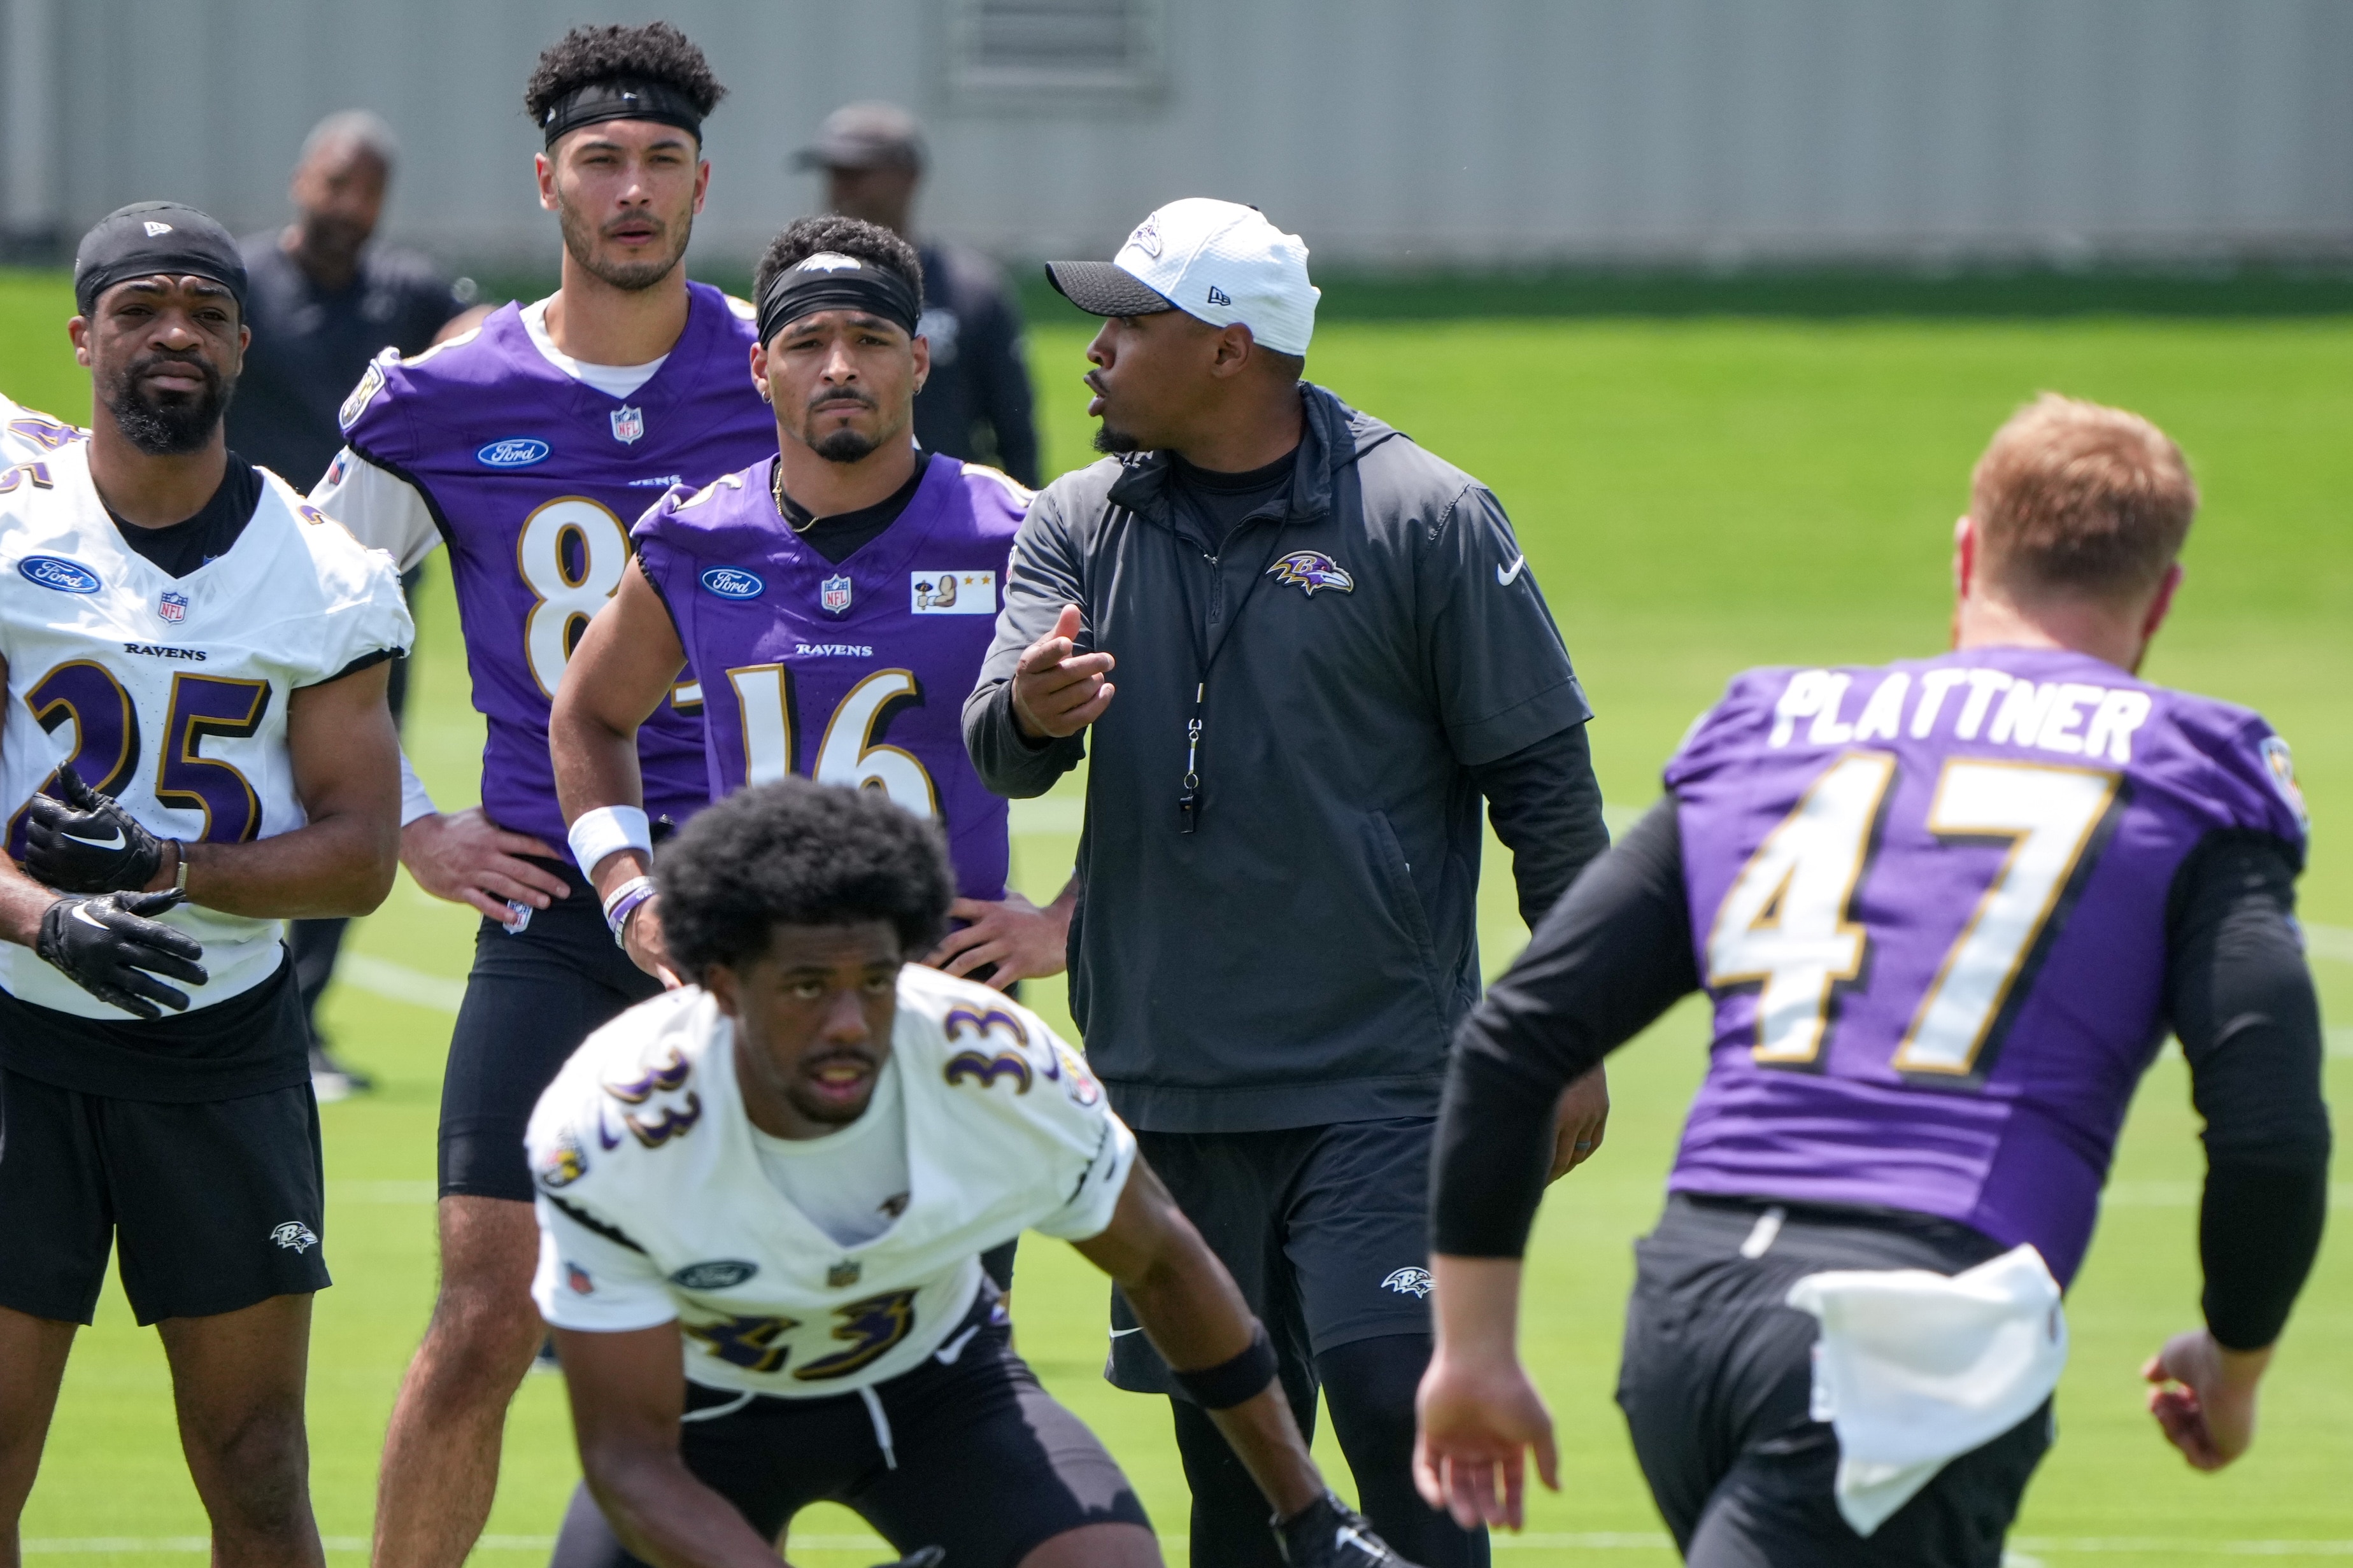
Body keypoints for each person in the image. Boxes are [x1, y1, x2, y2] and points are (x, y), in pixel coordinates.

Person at [1414, 395, 2329, 1566]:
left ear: (1966, 552)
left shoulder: (1777, 724)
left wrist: (1472, 1348)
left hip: (1687, 1318)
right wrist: (2234, 1362)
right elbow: (2267, 1132)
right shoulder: (2191, 767)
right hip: (1915, 1337)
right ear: (2160, 601)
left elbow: (1516, 1035)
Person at [963, 197, 1612, 1568]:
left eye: (1128, 324)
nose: (1094, 352)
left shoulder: (1425, 515)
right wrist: (1026, 708)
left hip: (1377, 1080)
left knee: (1395, 1410)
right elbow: (1002, 752)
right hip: (1165, 1079)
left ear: (1227, 348)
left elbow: (1546, 789)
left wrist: (1571, 1030)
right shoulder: (1074, 520)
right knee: (1240, 1472)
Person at [303, 24, 776, 1568]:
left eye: (659, 161)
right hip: (554, 901)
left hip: (760, 907)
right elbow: (297, 617)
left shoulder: (783, 364)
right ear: (546, 181)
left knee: (768, 1331)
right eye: (600, 160)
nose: (630, 189)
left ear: (700, 182)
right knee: (484, 1312)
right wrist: (411, 820)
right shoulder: (437, 392)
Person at [529, 777, 1422, 1568]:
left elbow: (1162, 1261)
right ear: (722, 984)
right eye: (805, 987)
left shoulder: (990, 1065)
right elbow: (627, 1459)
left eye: (875, 981)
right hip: (701, 1418)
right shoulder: (611, 1123)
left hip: (935, 1386)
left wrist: (1307, 1512)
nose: (848, 1024)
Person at [548, 214, 1075, 1301]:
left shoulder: (1015, 533)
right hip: (755, 1017)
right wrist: (629, 891)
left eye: (870, 340)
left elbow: (1163, 742)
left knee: (954, 1350)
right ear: (761, 366)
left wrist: (1069, 919)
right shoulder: (698, 537)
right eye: (807, 341)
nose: (840, 366)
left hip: (945, 1010)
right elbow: (588, 714)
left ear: (918, 360)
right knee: (741, 1344)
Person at [0, 203, 411, 1566]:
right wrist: (46, 916)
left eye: (202, 312)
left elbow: (359, 856)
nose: (172, 334)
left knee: (257, 1463)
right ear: (84, 338)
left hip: (219, 1040)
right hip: (16, 1032)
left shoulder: (328, 570)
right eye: (140, 308)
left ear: (241, 344)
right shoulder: (12, 534)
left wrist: (169, 865)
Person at [231, 108, 483, 1100]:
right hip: (244, 578)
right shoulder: (245, 280)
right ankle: (217, 994)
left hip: (369, 599)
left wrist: (451, 352)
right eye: (336, 183)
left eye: (368, 189)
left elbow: (481, 330)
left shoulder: (406, 291)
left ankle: (302, 1018)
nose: (349, 205)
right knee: (237, 784)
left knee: (352, 796)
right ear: (304, 181)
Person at [797, 102, 1039, 488]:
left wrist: (1027, 513)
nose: (840, 188)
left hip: (949, 507)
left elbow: (1016, 430)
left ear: (908, 177)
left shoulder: (971, 291)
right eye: (834, 174)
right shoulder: (800, 291)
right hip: (828, 508)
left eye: (856, 173)